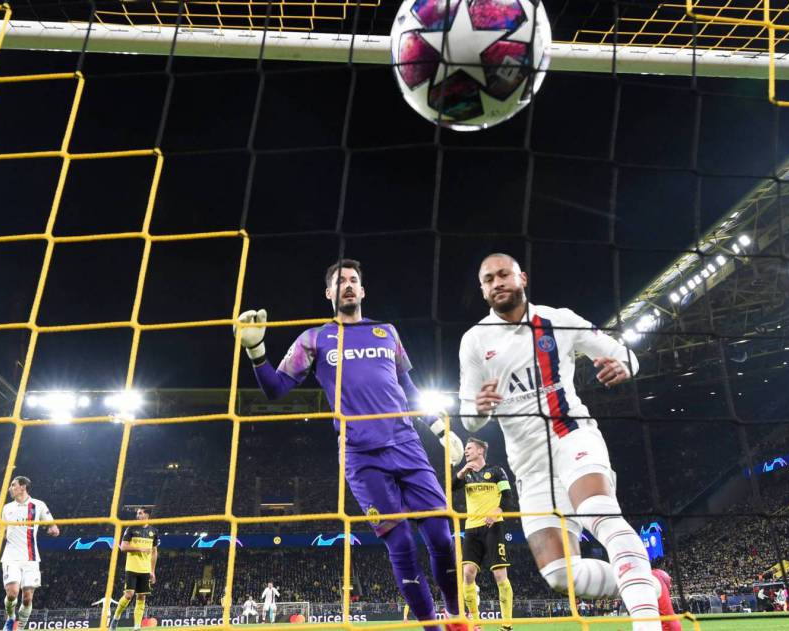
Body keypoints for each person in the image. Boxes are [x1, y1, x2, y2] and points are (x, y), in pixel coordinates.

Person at [236, 259, 464, 631]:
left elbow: (409, 389)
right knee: (402, 543)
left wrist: (439, 427)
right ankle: (431, 627)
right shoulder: (314, 338)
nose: (347, 285)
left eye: (354, 280)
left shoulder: (386, 332)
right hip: (361, 457)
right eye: (340, 281)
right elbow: (275, 390)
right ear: (329, 293)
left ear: (362, 290)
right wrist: (256, 350)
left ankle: (457, 616)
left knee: (441, 534)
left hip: (406, 443)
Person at [458, 253, 672, 631]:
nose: (497, 283)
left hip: (571, 436)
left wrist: (625, 364)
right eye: (488, 279)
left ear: (521, 277)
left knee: (603, 515)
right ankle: (649, 585)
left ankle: (647, 623)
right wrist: (480, 408)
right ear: (482, 289)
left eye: (503, 274)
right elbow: (468, 418)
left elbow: (624, 354)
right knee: (560, 575)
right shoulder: (475, 341)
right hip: (528, 466)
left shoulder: (560, 321)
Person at [454, 438, 514, 631]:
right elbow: (450, 488)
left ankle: (507, 625)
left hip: (493, 527)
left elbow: (508, 498)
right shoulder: (467, 475)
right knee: (467, 573)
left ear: (480, 450)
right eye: (465, 449)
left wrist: (496, 512)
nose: (465, 451)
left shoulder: (497, 471)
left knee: (499, 575)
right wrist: (462, 473)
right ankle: (476, 622)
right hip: (471, 529)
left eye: (469, 448)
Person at [0, 476, 59, 631]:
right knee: (12, 593)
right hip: (11, 556)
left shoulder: (38, 505)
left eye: (13, 485)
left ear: (22, 487)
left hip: (31, 558)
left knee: (28, 598)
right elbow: (1, 532)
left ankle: (21, 627)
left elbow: (53, 526)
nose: (10, 488)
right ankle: (10, 618)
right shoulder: (7, 508)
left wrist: (53, 529)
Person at [108, 507, 159, 630]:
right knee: (129, 595)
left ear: (147, 515)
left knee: (142, 597)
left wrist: (152, 571)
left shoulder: (154, 531)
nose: (138, 515)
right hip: (132, 568)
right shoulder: (131, 529)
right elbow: (123, 547)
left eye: (140, 513)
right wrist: (140, 548)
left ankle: (137, 626)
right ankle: (116, 618)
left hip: (145, 569)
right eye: (137, 513)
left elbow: (154, 552)